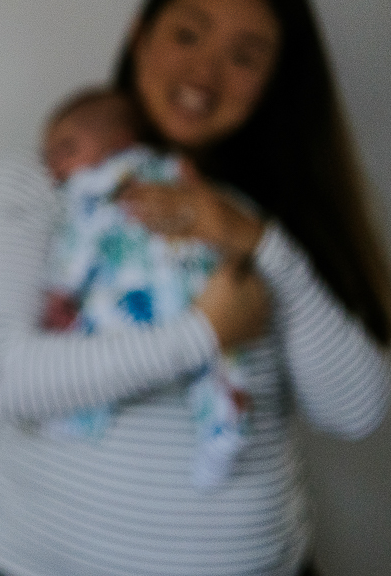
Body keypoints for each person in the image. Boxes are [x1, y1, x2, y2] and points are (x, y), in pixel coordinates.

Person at [0, 0, 391, 576]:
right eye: (187, 34)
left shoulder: (276, 224)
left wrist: (259, 243)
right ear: (139, 34)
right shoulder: (46, 185)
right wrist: (202, 334)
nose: (205, 71)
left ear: (275, 79)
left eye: (245, 56)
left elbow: (358, 409)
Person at [37, 86, 250, 491]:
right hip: (191, 289)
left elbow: (79, 243)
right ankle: (225, 429)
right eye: (49, 156)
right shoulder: (172, 169)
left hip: (133, 295)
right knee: (218, 366)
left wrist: (61, 289)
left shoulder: (91, 185)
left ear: (119, 141)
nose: (55, 164)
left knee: (88, 343)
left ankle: (75, 419)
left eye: (67, 147)